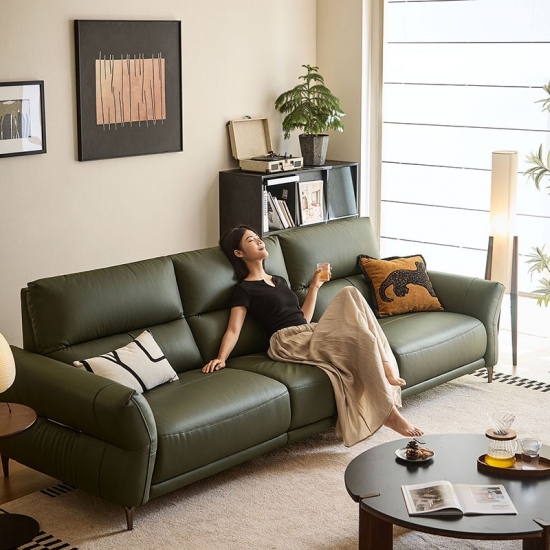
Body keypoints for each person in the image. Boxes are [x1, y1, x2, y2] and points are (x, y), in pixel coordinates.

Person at [202, 225, 423, 446]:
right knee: (352, 314)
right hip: (286, 341)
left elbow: (302, 318)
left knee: (352, 296)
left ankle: (384, 366)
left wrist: (315, 286)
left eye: (258, 237)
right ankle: (390, 412)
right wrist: (221, 357)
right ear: (239, 253)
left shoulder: (279, 280)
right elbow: (233, 329)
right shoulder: (244, 289)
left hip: (308, 331)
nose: (259, 241)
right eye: (251, 240)